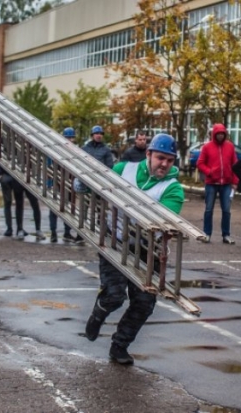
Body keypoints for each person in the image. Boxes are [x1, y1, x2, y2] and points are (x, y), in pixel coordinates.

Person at [84, 133, 185, 365]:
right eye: (161, 158)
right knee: (114, 296)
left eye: (170, 160)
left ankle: (119, 346)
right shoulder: (123, 169)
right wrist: (85, 187)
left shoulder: (173, 188)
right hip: (114, 241)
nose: (165, 164)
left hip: (146, 251)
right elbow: (99, 187)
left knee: (144, 303)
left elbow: (160, 221)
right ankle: (98, 313)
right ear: (148, 154)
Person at [197, 123, 239, 244]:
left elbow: (235, 165)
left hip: (226, 183)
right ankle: (207, 233)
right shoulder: (207, 147)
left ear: (225, 134)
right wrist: (209, 171)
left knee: (226, 210)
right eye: (218, 134)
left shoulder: (230, 147)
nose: (220, 136)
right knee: (209, 209)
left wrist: (235, 181)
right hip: (211, 183)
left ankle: (226, 235)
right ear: (214, 134)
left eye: (222, 134)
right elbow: (200, 163)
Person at [48, 127, 80, 243]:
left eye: (72, 137)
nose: (70, 140)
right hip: (57, 183)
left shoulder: (76, 151)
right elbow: (49, 168)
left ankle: (67, 232)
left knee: (69, 209)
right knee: (54, 208)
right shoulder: (55, 151)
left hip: (70, 184)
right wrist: (50, 183)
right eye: (68, 137)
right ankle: (53, 233)